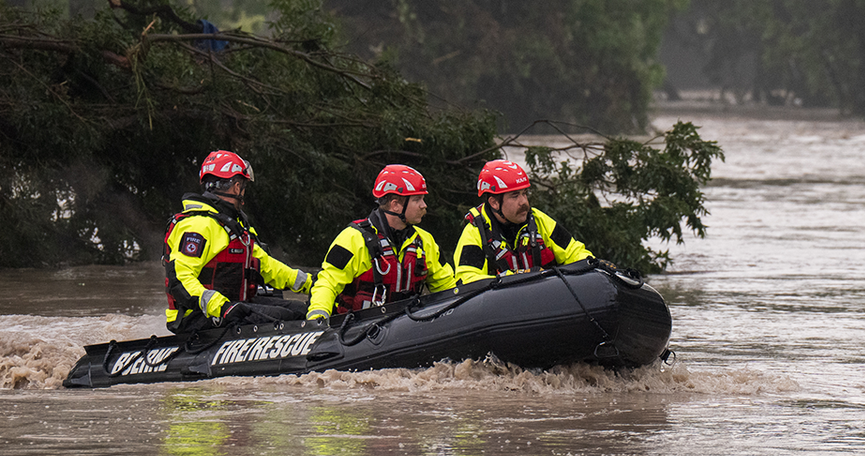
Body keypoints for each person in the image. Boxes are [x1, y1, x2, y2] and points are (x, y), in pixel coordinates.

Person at [163, 150, 312, 333]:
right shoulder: (198, 225)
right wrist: (222, 307)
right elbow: (180, 278)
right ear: (236, 187)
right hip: (200, 316)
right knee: (290, 318)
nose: (243, 192)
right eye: (243, 186)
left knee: (302, 310)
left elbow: (266, 266)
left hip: (232, 307)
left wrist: (311, 283)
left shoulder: (234, 226)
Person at [306, 164, 456, 322]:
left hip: (407, 328)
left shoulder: (425, 241)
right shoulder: (353, 238)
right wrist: (318, 316)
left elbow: (447, 286)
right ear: (395, 204)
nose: (424, 205)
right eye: (417, 199)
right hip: (356, 330)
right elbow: (327, 282)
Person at [453, 159, 592, 284]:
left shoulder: (538, 220)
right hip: (501, 307)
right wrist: (511, 278)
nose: (524, 202)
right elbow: (468, 279)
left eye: (524, 193)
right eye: (515, 196)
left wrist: (590, 263)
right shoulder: (475, 233)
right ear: (494, 203)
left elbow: (574, 252)